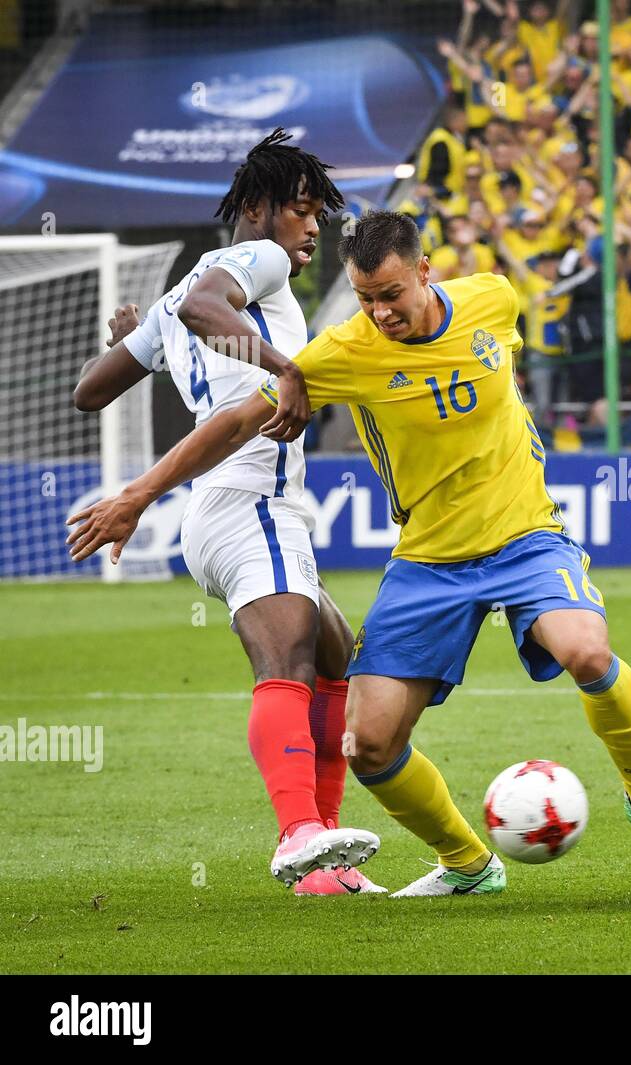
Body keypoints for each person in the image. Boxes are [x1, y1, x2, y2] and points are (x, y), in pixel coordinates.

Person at [68, 211, 631, 898]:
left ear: (425, 271)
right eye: (366, 298)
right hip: (427, 558)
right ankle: (469, 864)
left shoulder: (493, 298)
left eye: (392, 295)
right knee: (367, 744)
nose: (380, 312)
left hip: (525, 536)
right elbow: (233, 423)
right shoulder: (342, 352)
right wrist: (138, 493)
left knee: (584, 650)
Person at [71, 129, 382, 895]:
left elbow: (90, 390)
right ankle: (301, 835)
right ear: (256, 209)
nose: (314, 229)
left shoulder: (177, 298)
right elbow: (217, 308)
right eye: (302, 210)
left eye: (320, 215)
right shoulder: (253, 265)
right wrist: (284, 366)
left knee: (343, 659)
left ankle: (325, 864)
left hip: (230, 508)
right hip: (250, 499)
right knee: (289, 663)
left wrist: (139, 340)